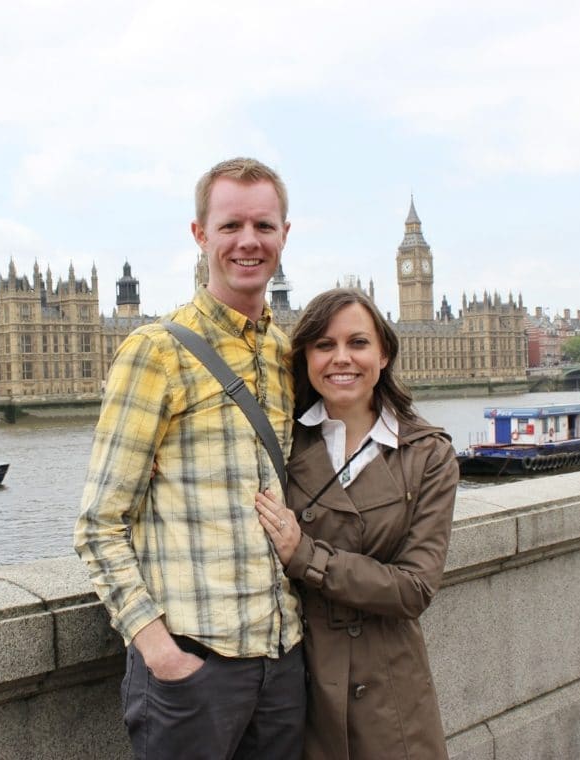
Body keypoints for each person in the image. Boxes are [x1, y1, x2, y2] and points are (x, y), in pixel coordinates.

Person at [74, 157, 305, 760]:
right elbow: (99, 523)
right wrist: (158, 651)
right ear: (200, 235)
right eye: (230, 226)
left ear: (286, 234)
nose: (248, 241)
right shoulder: (155, 351)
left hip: (283, 661)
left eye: (263, 225)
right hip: (195, 665)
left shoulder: (289, 355)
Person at [255, 287, 459, 759]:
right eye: (324, 345)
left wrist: (305, 556)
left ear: (384, 353)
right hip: (297, 686)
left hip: (389, 691)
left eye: (358, 343)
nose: (341, 358)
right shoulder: (279, 443)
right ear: (304, 356)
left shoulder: (428, 455)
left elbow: (414, 589)